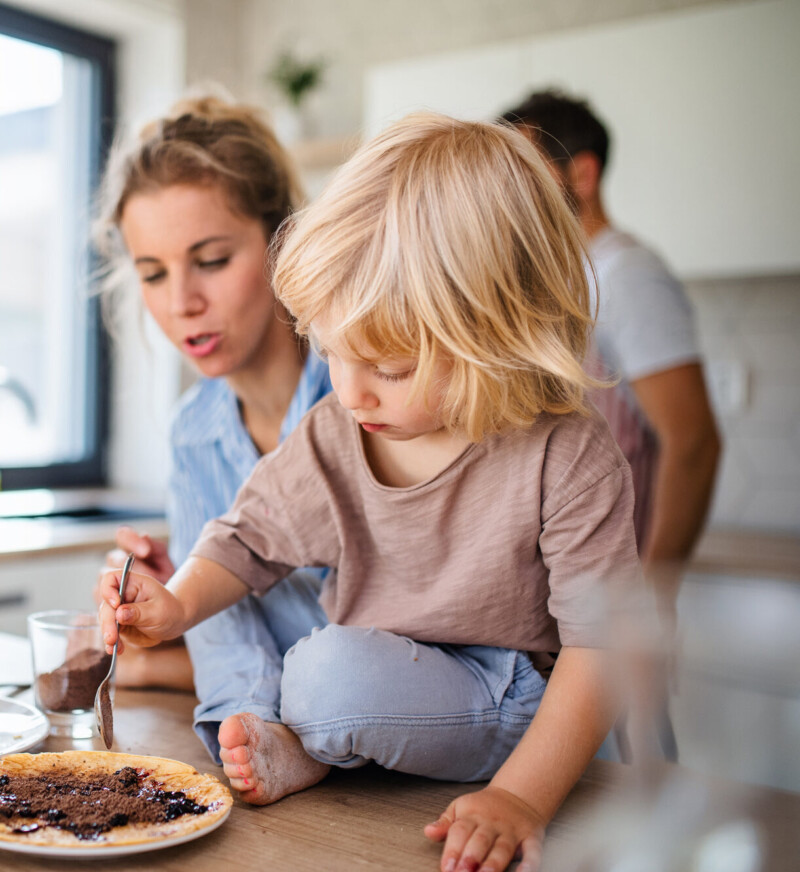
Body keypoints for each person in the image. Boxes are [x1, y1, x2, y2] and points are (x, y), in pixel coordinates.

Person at [100, 112, 645, 872]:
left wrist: (520, 796)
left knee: (325, 675)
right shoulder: (339, 426)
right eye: (333, 353)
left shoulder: (567, 454)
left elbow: (604, 647)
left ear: (494, 332)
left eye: (386, 368)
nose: (350, 392)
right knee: (325, 674)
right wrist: (180, 603)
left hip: (512, 700)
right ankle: (323, 749)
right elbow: (246, 536)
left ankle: (327, 745)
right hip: (384, 688)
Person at [93, 94, 332, 740]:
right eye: (152, 273)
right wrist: (177, 608)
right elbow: (238, 650)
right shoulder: (193, 431)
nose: (181, 303)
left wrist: (162, 664)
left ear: (283, 239)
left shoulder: (365, 392)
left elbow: (384, 655)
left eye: (212, 261)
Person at [500, 89, 721, 617]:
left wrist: (650, 594)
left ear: (582, 176)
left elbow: (693, 442)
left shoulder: (628, 277)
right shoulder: (568, 281)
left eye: (528, 174)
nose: (510, 194)